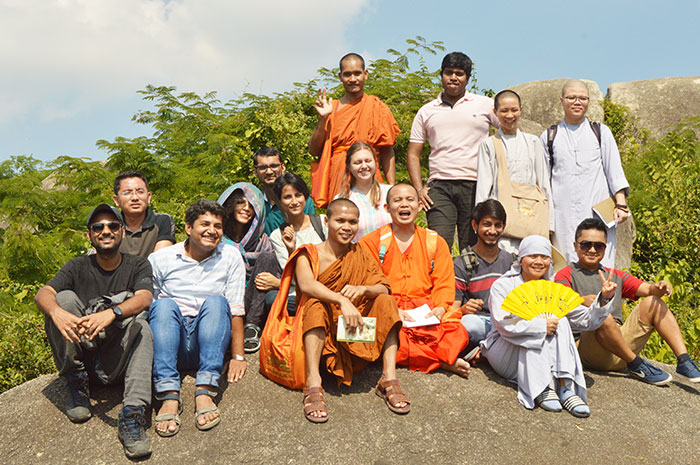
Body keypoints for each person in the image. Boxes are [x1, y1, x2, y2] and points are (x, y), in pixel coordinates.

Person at [34, 204, 154, 459]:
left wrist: (112, 312)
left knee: (141, 327)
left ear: (122, 231)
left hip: (117, 358)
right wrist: (56, 312)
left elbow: (144, 298)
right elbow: (43, 293)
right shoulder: (77, 266)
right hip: (85, 353)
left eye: (112, 226)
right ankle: (76, 382)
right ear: (89, 235)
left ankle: (132, 414)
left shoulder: (138, 265)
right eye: (98, 227)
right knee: (62, 300)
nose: (105, 231)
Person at [271, 198, 407, 422]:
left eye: (352, 222)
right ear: (327, 221)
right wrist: (342, 301)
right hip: (323, 331)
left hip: (354, 329)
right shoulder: (309, 253)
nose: (346, 227)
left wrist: (363, 289)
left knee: (386, 302)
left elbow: (384, 285)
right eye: (340, 220)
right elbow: (306, 285)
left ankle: (388, 378)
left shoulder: (359, 253)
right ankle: (313, 382)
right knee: (314, 303)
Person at [481, 235, 616, 417]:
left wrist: (604, 299)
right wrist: (539, 326)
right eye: (532, 256)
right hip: (506, 350)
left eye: (544, 257)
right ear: (521, 260)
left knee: (560, 319)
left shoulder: (552, 289)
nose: (538, 262)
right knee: (544, 322)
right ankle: (542, 387)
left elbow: (587, 320)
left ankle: (565, 386)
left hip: (544, 355)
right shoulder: (503, 286)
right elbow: (504, 326)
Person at [555, 218, 700, 385]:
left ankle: (684, 361)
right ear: (575, 246)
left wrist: (658, 288)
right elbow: (561, 304)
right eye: (586, 245)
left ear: (605, 247)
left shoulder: (614, 274)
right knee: (601, 314)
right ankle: (637, 365)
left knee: (654, 302)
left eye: (599, 246)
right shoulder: (566, 274)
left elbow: (647, 289)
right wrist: (587, 300)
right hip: (589, 348)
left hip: (619, 346)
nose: (592, 250)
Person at [148, 199, 246, 436]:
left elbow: (235, 308)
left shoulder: (231, 256)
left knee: (216, 301)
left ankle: (204, 389)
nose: (212, 231)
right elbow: (147, 307)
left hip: (209, 341)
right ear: (188, 228)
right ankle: (169, 394)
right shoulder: (161, 258)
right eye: (205, 224)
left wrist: (238, 356)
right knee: (162, 306)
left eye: (218, 226)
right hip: (172, 340)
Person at [361, 183, 471, 378]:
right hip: (389, 308)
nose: (404, 205)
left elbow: (444, 282)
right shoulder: (372, 242)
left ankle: (427, 356)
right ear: (387, 208)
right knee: (383, 334)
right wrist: (394, 310)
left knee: (456, 332)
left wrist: (440, 308)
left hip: (425, 311)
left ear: (420, 205)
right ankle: (442, 361)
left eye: (410, 200)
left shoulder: (434, 241)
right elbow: (368, 283)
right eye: (397, 200)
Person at [407, 51, 499, 250]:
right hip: (439, 187)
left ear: (467, 78)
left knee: (472, 245)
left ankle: (468, 282)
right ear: (441, 75)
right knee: (437, 245)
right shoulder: (427, 111)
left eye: (459, 73)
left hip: (475, 184)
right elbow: (413, 153)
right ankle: (440, 282)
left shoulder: (484, 104)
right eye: (449, 72)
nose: (454, 78)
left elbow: (509, 131)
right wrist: (418, 189)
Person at [540, 79, 630, 267]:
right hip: (562, 214)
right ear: (562, 100)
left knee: (601, 262)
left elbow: (614, 170)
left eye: (582, 98)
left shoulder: (601, 132)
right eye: (572, 97)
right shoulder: (550, 136)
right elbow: (543, 181)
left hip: (597, 210)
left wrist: (621, 204)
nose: (577, 102)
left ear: (589, 101)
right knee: (565, 264)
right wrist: (546, 220)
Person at [244, 173, 327, 353]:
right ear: (280, 202)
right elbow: (295, 276)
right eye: (287, 197)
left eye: (298, 195)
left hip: (328, 287)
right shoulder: (278, 236)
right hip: (299, 293)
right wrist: (291, 250)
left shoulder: (323, 223)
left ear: (306, 196)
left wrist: (277, 283)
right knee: (272, 298)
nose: (294, 201)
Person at [308, 53, 400, 207]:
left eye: (357, 73)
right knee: (343, 222)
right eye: (347, 74)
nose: (352, 79)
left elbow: (387, 150)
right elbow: (313, 150)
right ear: (340, 77)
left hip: (370, 173)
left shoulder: (376, 106)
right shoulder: (332, 108)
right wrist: (323, 119)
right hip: (340, 175)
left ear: (365, 74)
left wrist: (392, 188)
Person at [475, 90, 554, 254]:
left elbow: (544, 184)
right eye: (504, 111)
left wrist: (550, 223)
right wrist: (481, 222)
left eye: (514, 110)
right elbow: (483, 187)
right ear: (495, 112)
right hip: (502, 221)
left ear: (521, 110)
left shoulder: (533, 141)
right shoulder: (489, 144)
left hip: (532, 218)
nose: (509, 115)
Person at [454, 199, 515, 352]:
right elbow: (453, 308)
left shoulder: (511, 261)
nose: (492, 231)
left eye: (498, 225)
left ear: (504, 227)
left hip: (506, 322)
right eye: (487, 224)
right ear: (475, 225)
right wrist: (464, 309)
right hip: (480, 322)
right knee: (468, 324)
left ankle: (485, 349)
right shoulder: (462, 263)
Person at [336, 141, 392, 241]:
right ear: (349, 166)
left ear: (375, 162)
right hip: (359, 255)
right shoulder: (342, 200)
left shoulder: (390, 193)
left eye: (368, 161)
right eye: (358, 162)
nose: (364, 166)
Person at [252, 146, 315, 235]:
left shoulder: (302, 201)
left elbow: (312, 232)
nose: (269, 172)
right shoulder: (255, 205)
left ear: (283, 168)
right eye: (263, 167)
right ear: (255, 172)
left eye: (274, 166)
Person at [217, 181, 272, 281]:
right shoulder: (216, 241)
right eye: (240, 202)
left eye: (252, 206)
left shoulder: (264, 245)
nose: (246, 208)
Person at [112, 171, 175, 257]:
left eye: (140, 192)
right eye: (127, 192)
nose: (135, 197)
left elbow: (160, 261)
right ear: (116, 200)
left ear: (148, 197)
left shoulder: (162, 221)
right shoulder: (110, 225)